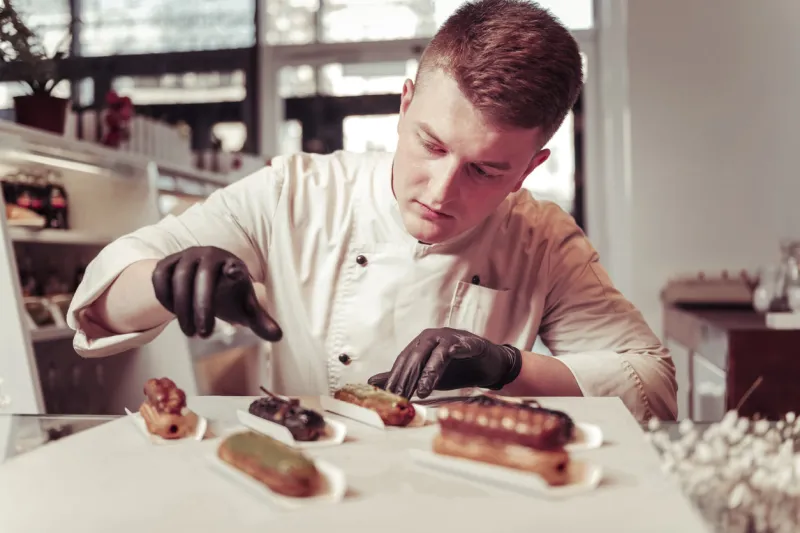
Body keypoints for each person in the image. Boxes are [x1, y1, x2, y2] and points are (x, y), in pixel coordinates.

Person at [67, 0, 677, 422]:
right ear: (405, 104)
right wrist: (162, 283)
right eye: (431, 145)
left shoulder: (540, 238)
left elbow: (652, 385)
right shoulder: (295, 192)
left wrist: (507, 366)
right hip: (304, 485)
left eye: (486, 170)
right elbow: (101, 306)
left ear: (530, 168)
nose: (441, 190)